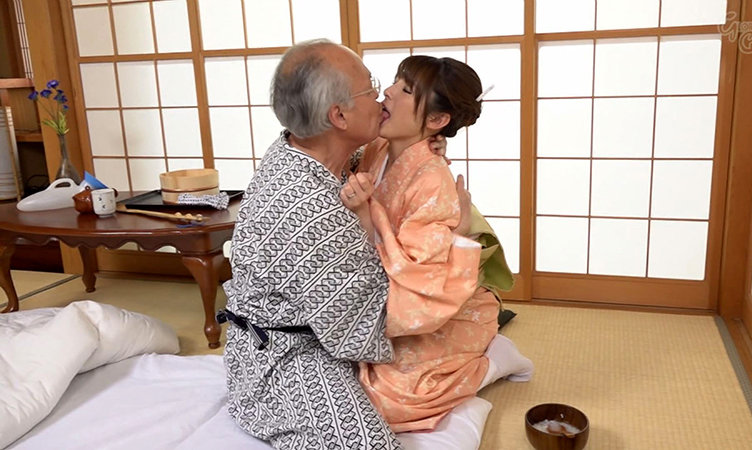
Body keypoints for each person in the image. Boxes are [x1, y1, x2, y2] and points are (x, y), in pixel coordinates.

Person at [220, 39, 401, 449]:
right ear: (338, 115)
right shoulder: (311, 211)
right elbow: (355, 328)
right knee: (368, 444)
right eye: (371, 88)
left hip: (292, 329)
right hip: (284, 353)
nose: (381, 97)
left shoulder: (296, 148)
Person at [342, 55, 534, 433]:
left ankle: (494, 361)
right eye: (395, 82)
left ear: (436, 120)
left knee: (384, 399)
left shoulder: (431, 180)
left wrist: (364, 213)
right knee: (331, 367)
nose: (387, 92)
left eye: (405, 90)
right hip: (376, 290)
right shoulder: (377, 147)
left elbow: (418, 277)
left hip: (431, 308)